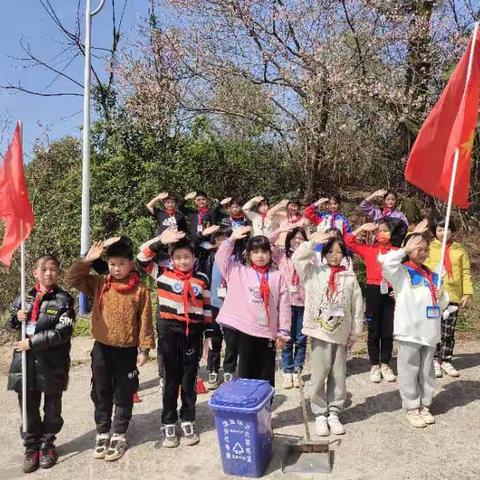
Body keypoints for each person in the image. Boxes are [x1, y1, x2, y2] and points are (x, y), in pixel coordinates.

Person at [66, 237, 155, 461]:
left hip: (126, 352)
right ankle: (103, 431)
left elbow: (145, 320)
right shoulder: (99, 283)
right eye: (112, 264)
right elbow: (72, 278)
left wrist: (144, 348)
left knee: (124, 393)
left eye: (121, 264)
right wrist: (87, 261)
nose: (116, 268)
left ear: (131, 264)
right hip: (101, 350)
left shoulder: (140, 290)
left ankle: (119, 433)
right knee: (101, 392)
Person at [137, 229, 213, 448]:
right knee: (170, 380)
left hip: (193, 334)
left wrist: (208, 336)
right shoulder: (161, 273)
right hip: (170, 332)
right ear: (171, 259)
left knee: (189, 380)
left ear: (194, 259)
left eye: (187, 257)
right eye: (178, 257)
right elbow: (142, 257)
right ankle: (168, 422)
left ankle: (188, 419)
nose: (183, 261)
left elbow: (206, 308)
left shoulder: (202, 279)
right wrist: (160, 240)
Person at [6, 254, 75, 473]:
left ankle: (47, 445)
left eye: (53, 269)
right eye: (43, 269)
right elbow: (9, 325)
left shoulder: (64, 299)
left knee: (52, 409)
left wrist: (31, 343)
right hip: (24, 363)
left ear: (58, 272)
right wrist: (17, 317)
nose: (48, 273)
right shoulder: (24, 296)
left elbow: (62, 333)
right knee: (28, 408)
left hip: (52, 363)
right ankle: (31, 448)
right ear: (35, 272)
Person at [293, 232, 363, 436]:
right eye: (331, 251)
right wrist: (313, 242)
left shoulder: (350, 277)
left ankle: (334, 411)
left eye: (339, 252)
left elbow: (356, 305)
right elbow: (297, 257)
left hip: (341, 333)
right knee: (320, 372)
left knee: (338, 373)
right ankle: (320, 413)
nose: (335, 255)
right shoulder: (313, 272)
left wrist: (355, 331)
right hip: (320, 331)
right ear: (324, 253)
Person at [379, 225, 449, 429]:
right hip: (409, 331)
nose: (423, 252)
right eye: (418, 248)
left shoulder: (432, 274)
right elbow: (387, 264)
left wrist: (441, 296)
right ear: (409, 249)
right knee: (409, 370)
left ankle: (425, 404)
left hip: (430, 331)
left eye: (425, 248)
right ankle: (411, 406)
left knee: (427, 371)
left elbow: (443, 302)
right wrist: (403, 249)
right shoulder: (402, 273)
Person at [215, 226, 291, 387]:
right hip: (245, 331)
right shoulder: (238, 271)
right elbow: (221, 258)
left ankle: (265, 409)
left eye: (264, 251)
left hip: (268, 332)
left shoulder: (277, 276)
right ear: (249, 254)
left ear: (270, 254)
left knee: (266, 375)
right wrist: (231, 240)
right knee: (247, 373)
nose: (260, 255)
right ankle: (249, 408)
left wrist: (283, 331)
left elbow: (284, 306)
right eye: (255, 252)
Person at [344, 219, 401, 383]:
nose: (382, 233)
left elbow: (406, 270)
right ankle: (375, 364)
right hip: (373, 289)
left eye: (386, 230)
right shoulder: (368, 249)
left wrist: (397, 290)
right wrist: (361, 228)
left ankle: (385, 363)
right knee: (374, 329)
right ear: (374, 234)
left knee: (388, 329)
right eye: (379, 231)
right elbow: (348, 241)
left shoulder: (397, 251)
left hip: (391, 291)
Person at [425, 217, 473, 378]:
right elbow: (423, 268)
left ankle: (445, 359)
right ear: (434, 231)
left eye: (446, 229)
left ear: (452, 230)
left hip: (453, 295)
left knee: (448, 331)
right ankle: (433, 359)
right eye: (439, 229)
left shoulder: (460, 250)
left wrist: (467, 293)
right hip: (434, 295)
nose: (443, 232)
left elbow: (465, 272)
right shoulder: (429, 248)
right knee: (433, 329)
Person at [194, 225, 235, 388]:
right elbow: (195, 245)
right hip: (213, 304)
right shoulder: (208, 256)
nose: (222, 242)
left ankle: (229, 370)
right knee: (214, 339)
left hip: (232, 305)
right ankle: (212, 370)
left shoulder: (236, 258)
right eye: (218, 239)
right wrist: (203, 234)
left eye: (225, 239)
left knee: (232, 341)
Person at [268, 226, 308, 389]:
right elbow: (267, 241)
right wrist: (282, 230)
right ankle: (287, 371)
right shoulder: (281, 255)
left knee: (301, 339)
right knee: (286, 338)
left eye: (301, 238)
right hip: (285, 303)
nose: (298, 241)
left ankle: (297, 371)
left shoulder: (310, 256)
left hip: (304, 303)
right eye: (295, 238)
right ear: (289, 239)